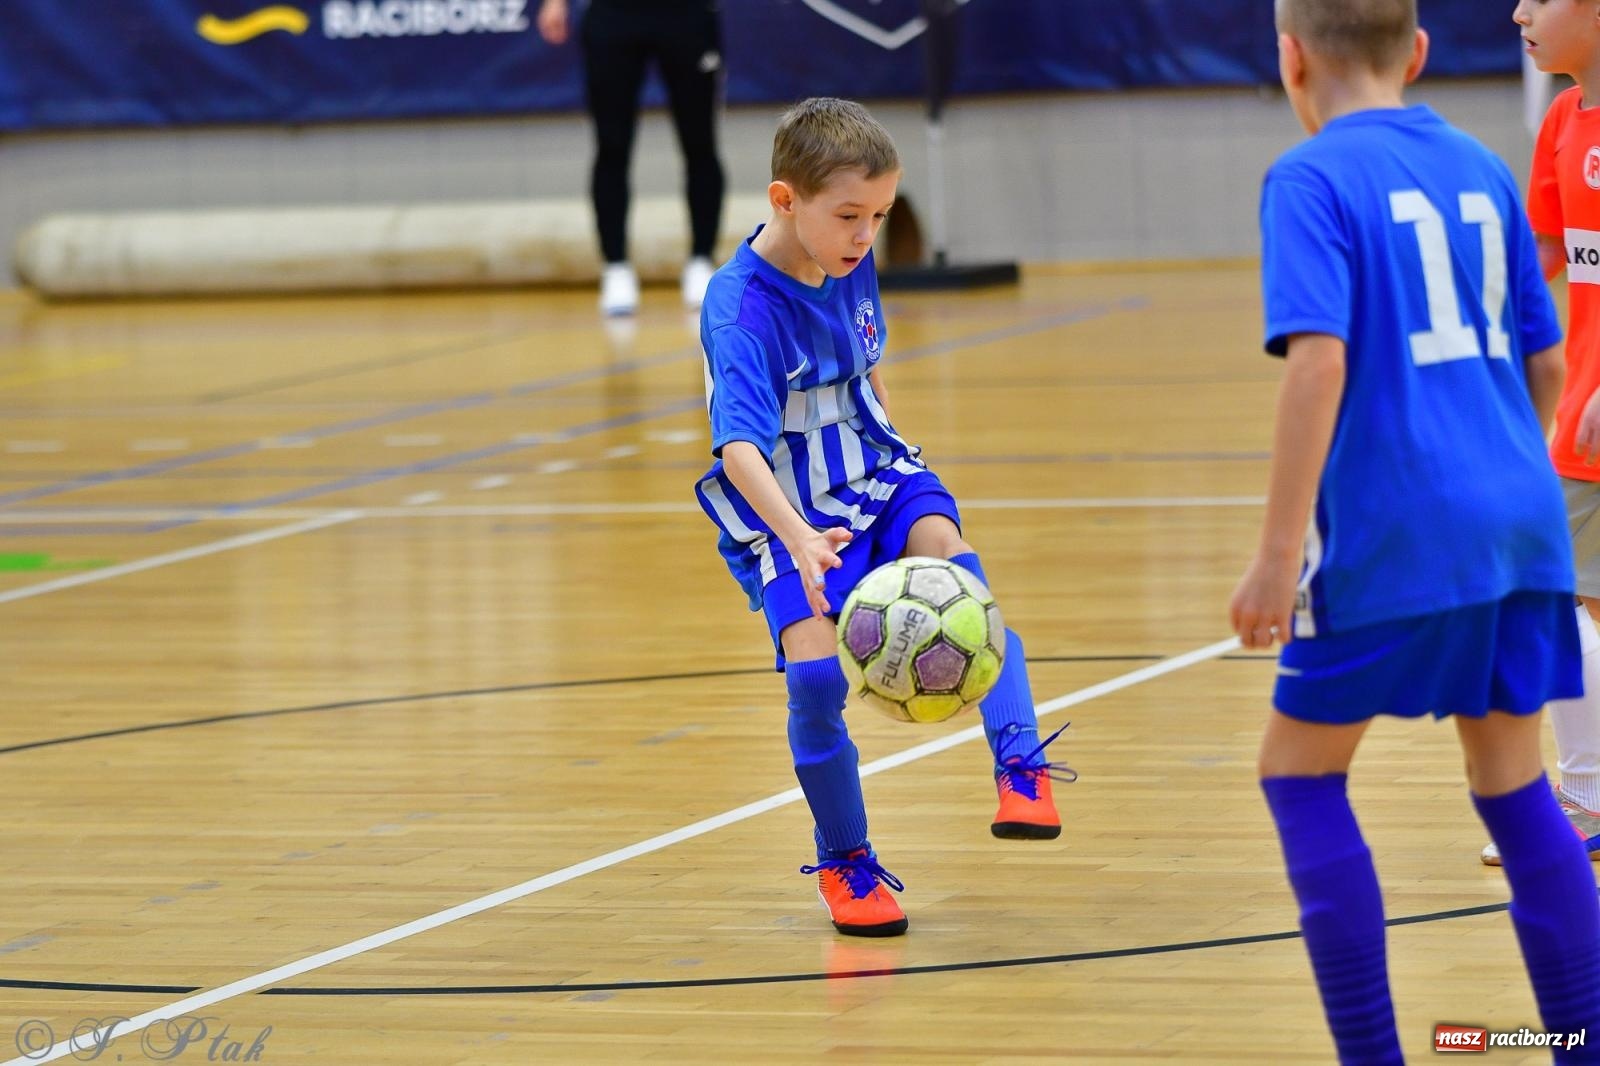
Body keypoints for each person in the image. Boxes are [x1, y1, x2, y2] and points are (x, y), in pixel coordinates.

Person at [1230, 0, 1600, 1060]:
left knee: (1297, 775)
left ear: (1290, 57)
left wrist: (1272, 557)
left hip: (1398, 530)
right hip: (1523, 522)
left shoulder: (1308, 177)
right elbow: (1543, 359)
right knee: (1515, 787)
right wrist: (1500, 471)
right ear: (1419, 53)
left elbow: (1318, 362)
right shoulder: (1482, 162)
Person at [693, 97, 1071, 938]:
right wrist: (797, 540)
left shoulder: (849, 254)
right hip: (786, 509)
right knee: (818, 680)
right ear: (784, 201)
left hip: (877, 467)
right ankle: (847, 863)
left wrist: (905, 454)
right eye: (850, 216)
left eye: (880, 216)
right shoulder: (741, 308)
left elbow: (865, 370)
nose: (867, 236)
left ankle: (1020, 763)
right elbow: (739, 451)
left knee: (953, 563)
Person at [1483, 0, 1600, 868]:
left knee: (1563, 600)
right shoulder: (1563, 119)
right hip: (1579, 419)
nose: (1519, 10)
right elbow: (1540, 264)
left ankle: (1587, 798)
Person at [536, 0, 726, 315]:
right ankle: (615, 267)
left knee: (700, 143)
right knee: (611, 146)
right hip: (613, 14)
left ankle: (701, 260)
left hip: (687, 14)